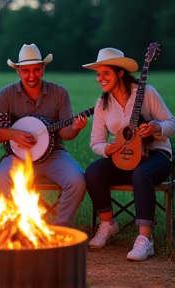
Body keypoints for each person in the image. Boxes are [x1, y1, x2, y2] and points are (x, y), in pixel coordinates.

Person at [82, 47, 175, 261]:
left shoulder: (146, 92)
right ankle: (108, 224)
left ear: (120, 72)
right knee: (93, 172)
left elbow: (171, 122)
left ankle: (145, 240)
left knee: (141, 174)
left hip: (156, 156)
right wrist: (108, 149)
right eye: (98, 73)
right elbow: (96, 142)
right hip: (124, 156)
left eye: (106, 73)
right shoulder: (102, 104)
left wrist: (155, 128)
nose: (100, 78)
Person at [0, 43, 87, 228]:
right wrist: (13, 134)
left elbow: (65, 132)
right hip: (18, 156)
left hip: (53, 154)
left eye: (36, 70)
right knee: (1, 177)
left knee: (77, 179)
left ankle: (58, 228)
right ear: (18, 71)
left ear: (43, 69)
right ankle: (11, 228)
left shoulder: (59, 93)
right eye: (25, 71)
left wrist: (76, 128)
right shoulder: (7, 94)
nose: (31, 75)